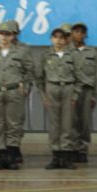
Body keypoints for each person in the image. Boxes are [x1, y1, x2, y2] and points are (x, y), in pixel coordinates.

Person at [0, 18, 30, 170]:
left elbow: (29, 69)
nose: (4, 36)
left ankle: (12, 155)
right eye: (1, 33)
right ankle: (1, 155)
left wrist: (23, 84)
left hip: (13, 91)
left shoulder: (21, 52)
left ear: (13, 35)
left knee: (13, 124)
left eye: (7, 34)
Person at [42, 25, 77, 169]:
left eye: (61, 38)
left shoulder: (72, 55)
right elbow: (40, 76)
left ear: (66, 40)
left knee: (67, 124)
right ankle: (56, 156)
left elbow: (79, 76)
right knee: (54, 124)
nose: (58, 40)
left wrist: (75, 95)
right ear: (51, 39)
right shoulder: (46, 55)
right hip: (52, 88)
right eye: (55, 37)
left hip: (68, 89)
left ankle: (66, 157)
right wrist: (44, 94)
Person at [67, 22, 97, 163]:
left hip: (87, 90)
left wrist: (95, 95)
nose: (79, 34)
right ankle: (73, 148)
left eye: (81, 32)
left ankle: (83, 149)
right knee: (72, 120)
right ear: (71, 33)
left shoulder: (92, 52)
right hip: (72, 89)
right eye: (76, 31)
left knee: (85, 122)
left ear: (85, 34)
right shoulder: (67, 51)